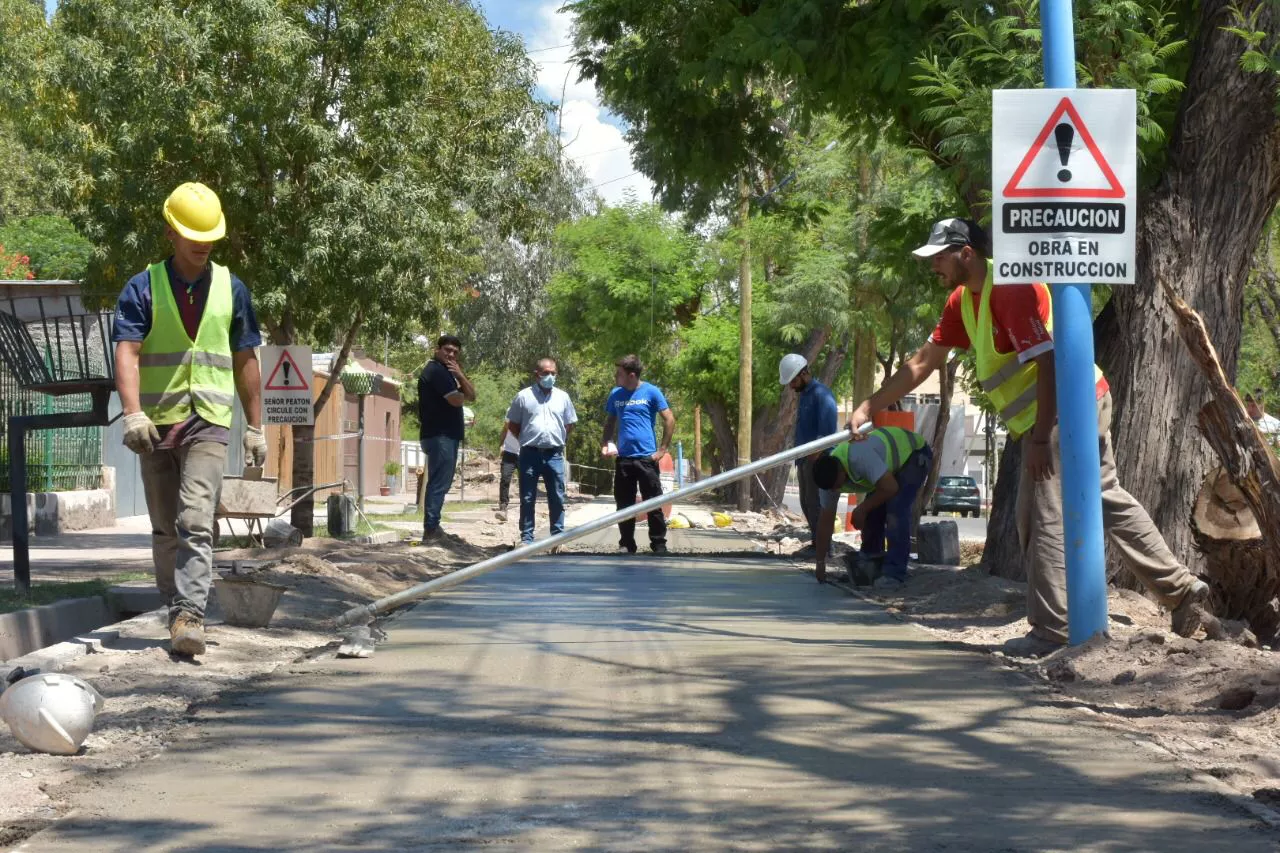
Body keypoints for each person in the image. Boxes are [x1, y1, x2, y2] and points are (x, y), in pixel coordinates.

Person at [846, 217, 1210, 655]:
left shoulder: (1009, 290)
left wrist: (1038, 440)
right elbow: (923, 362)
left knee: (1042, 516)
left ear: (967, 253)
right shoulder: (963, 301)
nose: (933, 266)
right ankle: (1182, 590)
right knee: (1103, 497)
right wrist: (870, 405)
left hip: (1063, 409)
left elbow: (1049, 363)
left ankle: (1053, 631)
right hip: (1073, 402)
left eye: (939, 257)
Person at [112, 182, 266, 657]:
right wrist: (133, 413)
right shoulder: (143, 287)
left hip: (210, 420)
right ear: (170, 233)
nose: (203, 244)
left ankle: (189, 615)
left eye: (210, 236)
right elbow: (127, 351)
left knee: (195, 520)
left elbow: (245, 359)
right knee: (165, 527)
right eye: (194, 235)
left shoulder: (231, 288)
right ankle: (173, 607)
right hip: (155, 423)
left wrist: (256, 427)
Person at [811, 428, 932, 589]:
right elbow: (825, 523)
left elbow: (891, 488)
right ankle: (870, 563)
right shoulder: (828, 483)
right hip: (886, 468)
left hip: (914, 454)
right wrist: (820, 562)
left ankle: (895, 573)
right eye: (831, 488)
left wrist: (862, 509)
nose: (835, 490)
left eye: (836, 485)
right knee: (872, 512)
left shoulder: (859, 457)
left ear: (840, 471)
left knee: (896, 510)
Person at [602, 354, 676, 554]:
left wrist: (662, 450)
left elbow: (669, 419)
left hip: (646, 458)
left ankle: (658, 544)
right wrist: (606, 443)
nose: (616, 377)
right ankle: (627, 544)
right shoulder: (615, 394)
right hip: (624, 459)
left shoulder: (651, 391)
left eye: (619, 374)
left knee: (654, 502)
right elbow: (610, 422)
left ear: (631, 375)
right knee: (624, 504)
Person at [506, 358, 578, 545]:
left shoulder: (563, 397)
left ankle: (557, 538)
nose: (550, 376)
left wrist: (558, 439)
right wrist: (525, 439)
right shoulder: (523, 396)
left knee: (557, 496)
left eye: (553, 373)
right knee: (527, 497)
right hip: (529, 454)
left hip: (554, 454)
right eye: (546, 373)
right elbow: (513, 424)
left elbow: (569, 423)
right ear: (536, 374)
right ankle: (527, 538)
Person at [417, 335, 476, 541]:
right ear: (437, 350)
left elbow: (472, 395)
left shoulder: (449, 373)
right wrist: (461, 392)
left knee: (442, 482)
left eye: (455, 352)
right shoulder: (436, 370)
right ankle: (431, 529)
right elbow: (456, 400)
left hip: (447, 436)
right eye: (447, 350)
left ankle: (434, 526)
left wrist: (460, 375)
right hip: (439, 435)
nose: (451, 354)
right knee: (439, 483)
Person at [779, 353, 838, 549]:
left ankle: (823, 548)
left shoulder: (822, 394)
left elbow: (827, 432)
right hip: (805, 460)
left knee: (816, 504)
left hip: (818, 460)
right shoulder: (805, 396)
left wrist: (815, 455)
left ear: (803, 374)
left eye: (793, 381)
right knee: (806, 503)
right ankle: (817, 544)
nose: (791, 386)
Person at [495, 421, 520, 522]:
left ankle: (526, 507)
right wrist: (501, 444)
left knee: (526, 481)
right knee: (505, 478)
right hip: (509, 452)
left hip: (525, 452)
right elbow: (505, 429)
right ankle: (503, 506)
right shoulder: (511, 414)